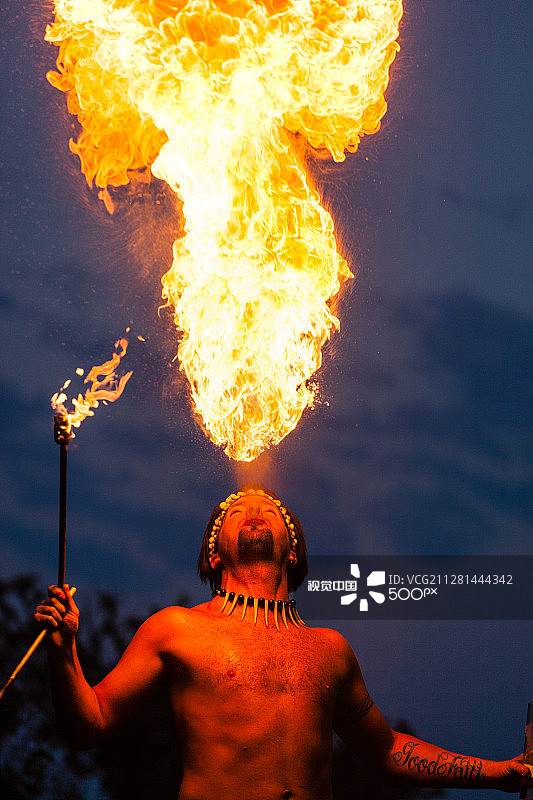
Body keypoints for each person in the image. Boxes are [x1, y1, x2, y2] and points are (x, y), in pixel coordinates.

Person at [35, 486, 529, 800]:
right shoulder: (177, 629)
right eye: (236, 510)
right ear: (213, 550)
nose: (253, 510)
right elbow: (90, 725)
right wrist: (63, 652)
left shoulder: (330, 649)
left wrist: (499, 773)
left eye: (269, 509)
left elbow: (387, 750)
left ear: (293, 550)